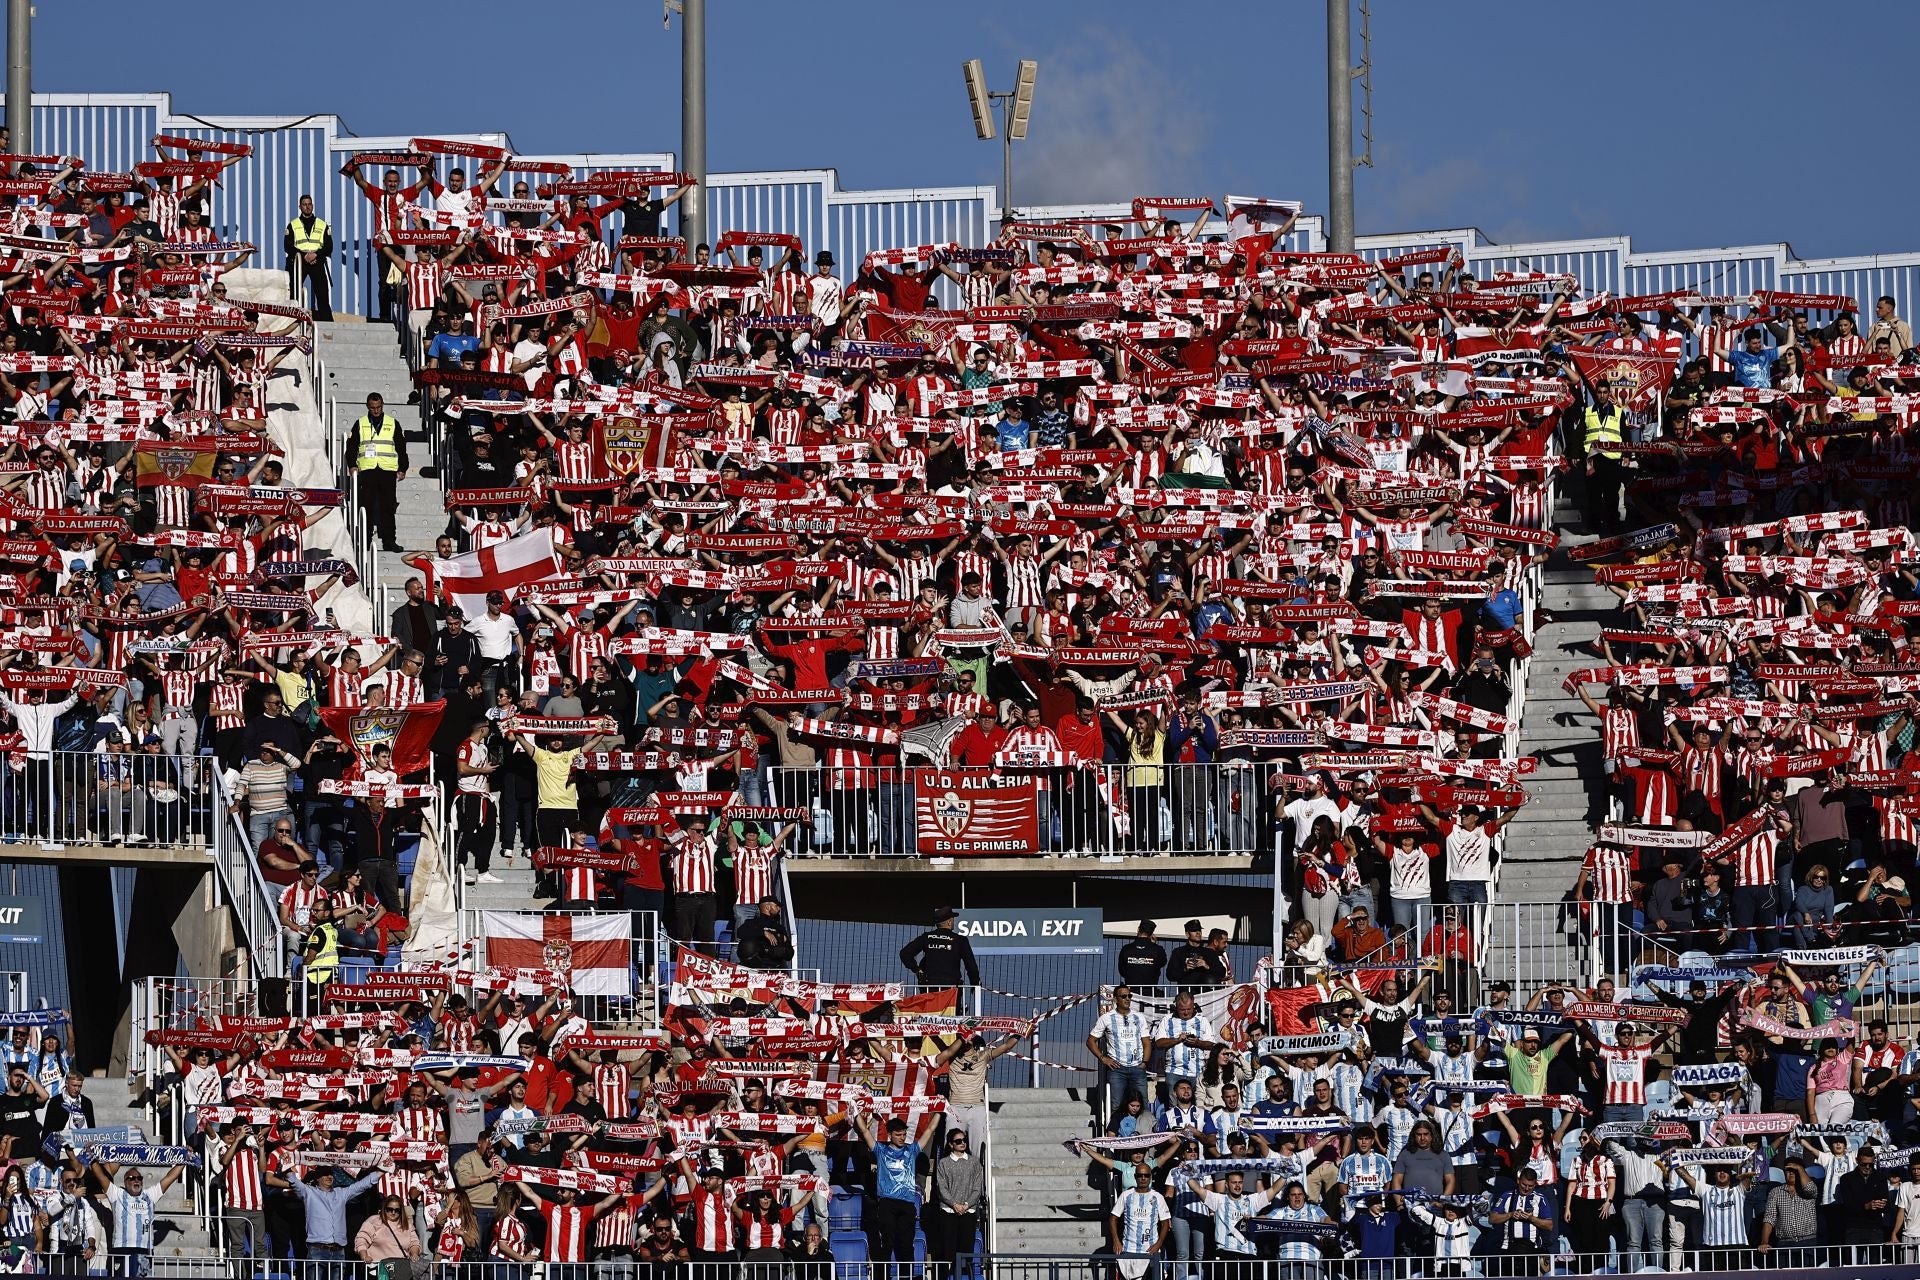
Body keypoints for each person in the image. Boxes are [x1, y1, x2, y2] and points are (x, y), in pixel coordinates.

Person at [854, 1112, 938, 1275]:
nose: (902, 1137)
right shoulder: (880, 1150)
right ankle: (882, 1276)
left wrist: (941, 1110)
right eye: (898, 1134)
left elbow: (930, 1129)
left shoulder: (912, 1150)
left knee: (907, 1244)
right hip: (887, 1203)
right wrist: (856, 1112)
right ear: (890, 1135)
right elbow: (864, 1131)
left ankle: (907, 1276)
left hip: (907, 1203)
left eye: (904, 1134)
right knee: (887, 1243)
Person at [346, 392, 408, 552]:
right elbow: (351, 446)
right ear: (367, 407)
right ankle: (364, 540)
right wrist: (352, 465)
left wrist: (402, 468)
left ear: (383, 405)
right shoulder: (360, 423)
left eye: (378, 407)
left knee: (388, 507)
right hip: (367, 469)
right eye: (373, 408)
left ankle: (389, 541)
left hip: (387, 469)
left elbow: (401, 447)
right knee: (366, 506)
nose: (376, 410)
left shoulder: (393, 423)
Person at [928, 1124, 984, 1268]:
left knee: (966, 1251)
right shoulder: (943, 1163)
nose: (962, 1143)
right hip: (948, 1212)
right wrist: (954, 1204)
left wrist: (966, 1205)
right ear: (951, 1144)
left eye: (964, 1140)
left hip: (968, 1211)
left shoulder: (974, 1162)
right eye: (958, 1141)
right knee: (948, 1251)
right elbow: (942, 1187)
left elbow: (977, 1188)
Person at [898, 905, 980, 987]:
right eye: (953, 919)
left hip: (929, 987)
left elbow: (905, 953)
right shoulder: (960, 940)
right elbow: (971, 966)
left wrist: (917, 970)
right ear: (949, 922)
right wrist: (975, 984)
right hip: (951, 990)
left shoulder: (926, 937)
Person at [284, 193, 333, 320]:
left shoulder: (322, 225)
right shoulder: (292, 225)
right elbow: (288, 246)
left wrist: (315, 255)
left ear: (313, 206)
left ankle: (326, 321)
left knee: (322, 294)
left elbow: (329, 247)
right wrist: (304, 255)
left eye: (309, 204)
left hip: (317, 261)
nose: (307, 207)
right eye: (304, 205)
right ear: (300, 207)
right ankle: (291, 318)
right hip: (299, 262)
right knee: (293, 292)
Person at [1117, 919, 1168, 989]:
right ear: (1151, 934)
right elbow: (1162, 963)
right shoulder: (1158, 949)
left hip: (1131, 991)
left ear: (1138, 930)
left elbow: (1122, 970)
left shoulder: (1126, 949)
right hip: (1150, 992)